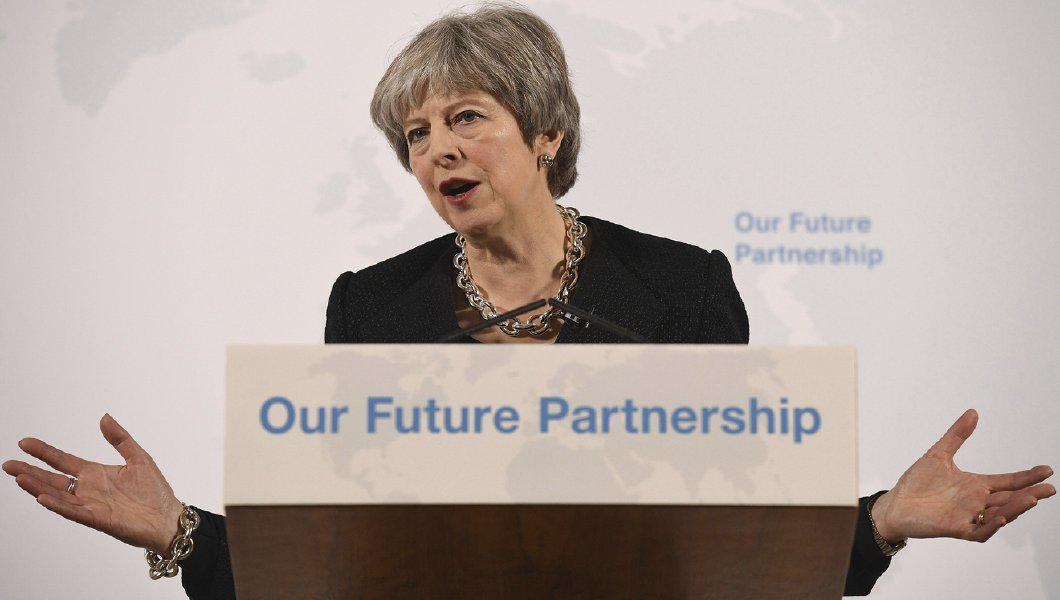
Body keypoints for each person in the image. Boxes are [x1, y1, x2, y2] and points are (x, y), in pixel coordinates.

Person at [3, 5, 1055, 599]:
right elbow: (343, 566)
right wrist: (180, 530)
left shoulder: (681, 288)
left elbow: (740, 547)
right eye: (416, 135)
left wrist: (882, 521)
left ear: (546, 132)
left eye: (466, 116)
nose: (437, 149)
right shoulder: (371, 308)